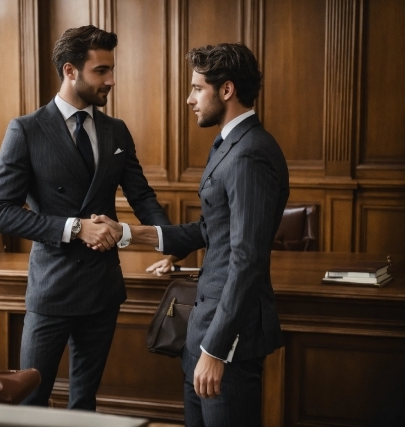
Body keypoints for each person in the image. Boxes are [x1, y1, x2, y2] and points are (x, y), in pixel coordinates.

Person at [93, 43, 289, 426]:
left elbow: (246, 260)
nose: (189, 98)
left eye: (198, 88)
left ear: (227, 90)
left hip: (226, 343)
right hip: (203, 335)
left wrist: (215, 351)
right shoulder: (229, 145)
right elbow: (208, 230)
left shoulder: (250, 152)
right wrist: (128, 234)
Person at [0, 25, 170, 411]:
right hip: (52, 289)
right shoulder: (26, 130)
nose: (111, 80)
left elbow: (143, 196)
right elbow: (0, 212)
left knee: (85, 401)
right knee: (32, 399)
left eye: (111, 70)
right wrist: (73, 228)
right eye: (101, 71)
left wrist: (167, 240)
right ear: (71, 71)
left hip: (103, 288)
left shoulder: (116, 130)